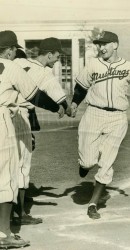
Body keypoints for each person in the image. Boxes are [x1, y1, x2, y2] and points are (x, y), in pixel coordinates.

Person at [0, 30, 67, 248]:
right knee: (9, 176)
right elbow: (35, 96)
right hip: (6, 117)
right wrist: (58, 106)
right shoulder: (11, 66)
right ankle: (5, 232)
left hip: (10, 113)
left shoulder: (17, 63)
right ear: (10, 50)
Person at [68, 31, 130, 219]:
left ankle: (93, 203)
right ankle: (85, 165)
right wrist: (74, 103)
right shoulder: (94, 64)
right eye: (99, 44)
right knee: (87, 160)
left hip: (118, 118)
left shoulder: (128, 67)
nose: (101, 47)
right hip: (94, 113)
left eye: (105, 44)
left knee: (107, 162)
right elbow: (81, 86)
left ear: (115, 45)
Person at [12, 39, 68, 225]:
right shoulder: (46, 73)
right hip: (20, 115)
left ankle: (13, 206)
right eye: (57, 56)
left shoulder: (19, 62)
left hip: (5, 113)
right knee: (22, 167)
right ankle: (19, 214)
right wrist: (66, 108)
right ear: (49, 54)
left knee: (8, 164)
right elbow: (61, 102)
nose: (57, 61)